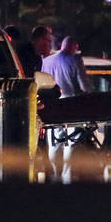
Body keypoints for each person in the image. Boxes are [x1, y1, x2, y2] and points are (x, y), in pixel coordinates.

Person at [41, 35, 93, 183]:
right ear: (73, 47)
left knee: (54, 141)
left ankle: (54, 175)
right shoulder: (75, 60)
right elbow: (84, 86)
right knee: (72, 141)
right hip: (72, 105)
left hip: (52, 105)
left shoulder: (47, 60)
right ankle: (67, 176)